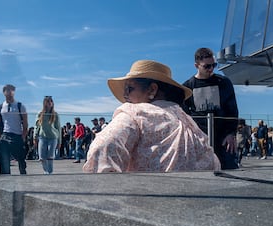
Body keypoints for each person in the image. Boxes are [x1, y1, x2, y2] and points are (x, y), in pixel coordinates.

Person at [83, 59, 220, 173]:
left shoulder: (134, 113)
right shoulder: (186, 119)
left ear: (152, 89)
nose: (125, 95)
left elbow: (102, 148)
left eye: (129, 88)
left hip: (145, 199)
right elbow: (213, 162)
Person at [183, 47, 239, 170]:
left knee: (230, 171)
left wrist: (231, 133)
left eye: (214, 65)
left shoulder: (224, 82)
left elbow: (232, 109)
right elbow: (185, 115)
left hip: (223, 138)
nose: (211, 69)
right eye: (207, 66)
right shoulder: (187, 87)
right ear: (196, 65)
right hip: (199, 139)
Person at [0, 84, 28, 175]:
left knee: (21, 162)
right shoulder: (0, 107)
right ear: (4, 92)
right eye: (7, 91)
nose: (10, 93)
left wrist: (23, 137)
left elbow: (25, 124)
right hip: (5, 135)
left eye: (12, 91)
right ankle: (6, 183)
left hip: (17, 135)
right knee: (4, 163)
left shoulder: (20, 106)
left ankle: (24, 181)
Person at [33, 96, 61, 174]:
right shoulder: (40, 114)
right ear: (44, 103)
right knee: (41, 157)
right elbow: (36, 126)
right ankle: (46, 171)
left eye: (51, 101)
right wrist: (35, 137)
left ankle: (50, 172)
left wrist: (59, 141)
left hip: (53, 137)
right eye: (47, 101)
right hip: (42, 137)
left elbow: (58, 128)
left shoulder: (55, 114)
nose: (49, 103)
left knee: (50, 156)